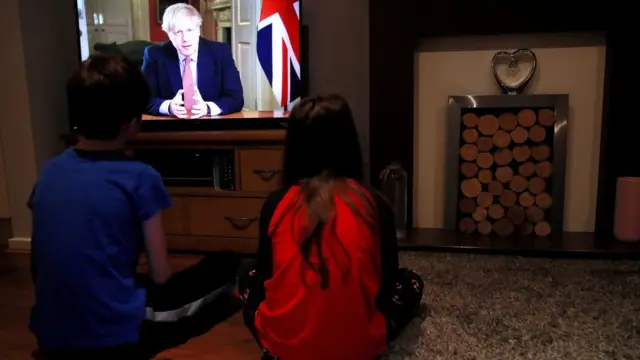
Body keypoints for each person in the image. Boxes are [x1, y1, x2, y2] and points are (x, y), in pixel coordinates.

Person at [28, 53, 239, 360]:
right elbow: (161, 274)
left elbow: (38, 265)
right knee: (227, 266)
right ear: (131, 124)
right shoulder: (140, 178)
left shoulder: (48, 172)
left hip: (50, 332)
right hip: (117, 335)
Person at [237, 94, 425, 360]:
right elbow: (386, 281)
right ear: (350, 145)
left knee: (247, 271)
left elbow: (268, 276)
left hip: (284, 351)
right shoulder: (375, 203)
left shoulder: (276, 203)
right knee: (410, 282)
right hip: (359, 351)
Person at [141, 3, 244, 119]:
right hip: (171, 127)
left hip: (212, 127)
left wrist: (207, 108)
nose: (185, 38)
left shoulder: (220, 52)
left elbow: (236, 98)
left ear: (198, 29)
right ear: (168, 34)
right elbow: (142, 99)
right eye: (178, 32)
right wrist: (169, 107)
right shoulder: (154, 55)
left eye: (189, 30)